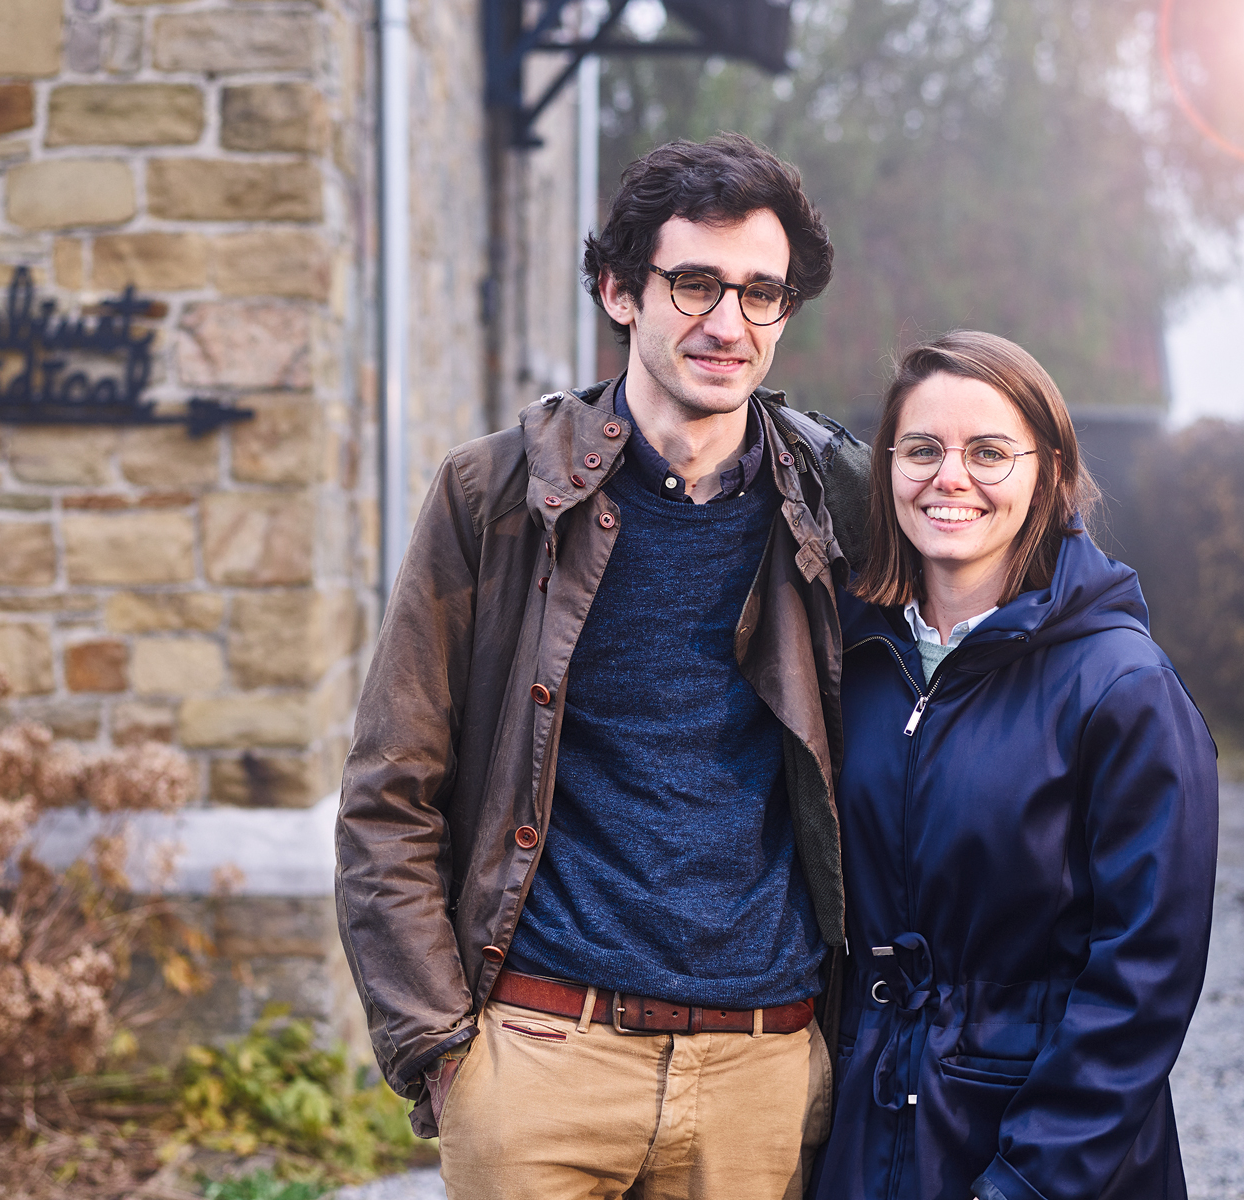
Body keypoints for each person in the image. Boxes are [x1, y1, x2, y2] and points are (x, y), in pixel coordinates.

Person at [335, 133, 871, 1200]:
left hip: (761, 1070)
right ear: (618, 290)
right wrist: (441, 1049)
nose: (728, 323)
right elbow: (389, 793)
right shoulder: (494, 497)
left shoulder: (836, 499)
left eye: (761, 294)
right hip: (539, 1059)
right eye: (694, 283)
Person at [811, 330, 1218, 1200]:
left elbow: (1143, 980)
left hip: (1044, 1154)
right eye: (922, 449)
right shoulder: (853, 659)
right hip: (865, 1134)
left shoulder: (1123, 688)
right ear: (886, 468)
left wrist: (1029, 1182)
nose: (949, 477)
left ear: (1050, 469)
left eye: (988, 452)